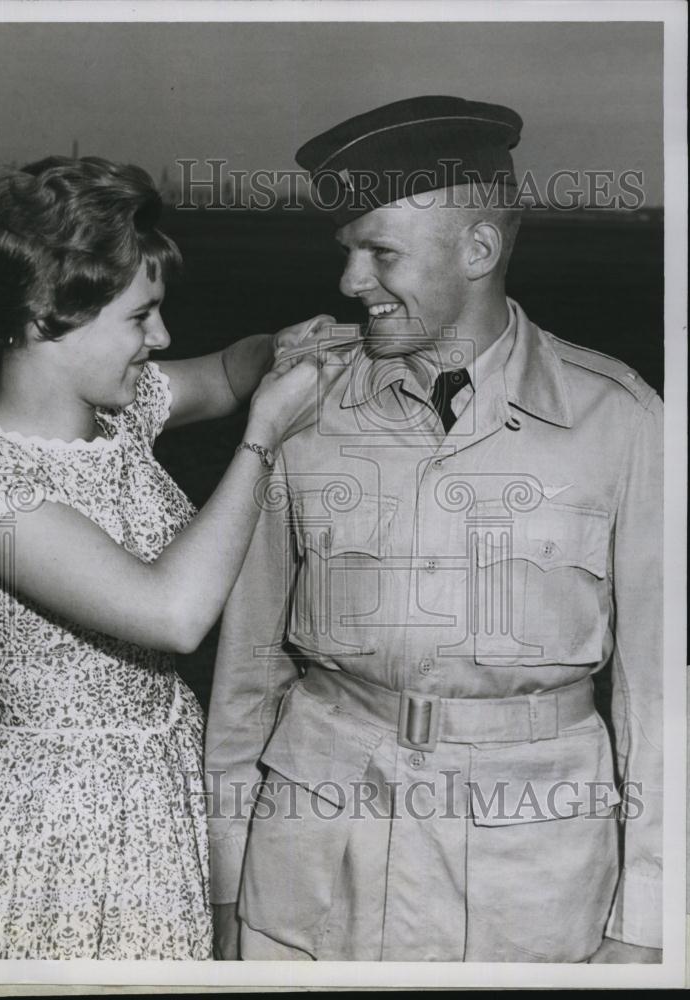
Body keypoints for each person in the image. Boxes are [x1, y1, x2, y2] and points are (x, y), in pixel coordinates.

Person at [206, 97, 663, 963]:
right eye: (347, 251)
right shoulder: (304, 405)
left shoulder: (622, 422)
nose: (350, 282)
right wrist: (228, 877)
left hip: (532, 893)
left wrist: (645, 923)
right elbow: (248, 668)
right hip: (313, 874)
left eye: (381, 252)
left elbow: (659, 701)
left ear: (478, 250)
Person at [0, 155, 336, 960]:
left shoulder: (118, 413)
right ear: (46, 315)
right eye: (140, 316)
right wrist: (262, 435)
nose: (162, 337)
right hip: (63, 821)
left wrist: (279, 349)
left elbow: (227, 371)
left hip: (162, 784)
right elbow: (172, 614)